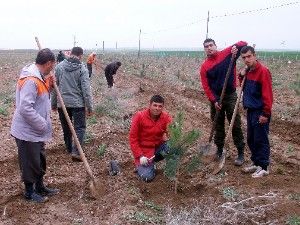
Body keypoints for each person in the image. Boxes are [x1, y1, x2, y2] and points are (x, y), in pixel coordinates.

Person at [10, 48, 59, 203]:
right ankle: (29, 192)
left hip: (36, 131)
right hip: (27, 131)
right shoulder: (31, 80)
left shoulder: (39, 77)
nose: (53, 68)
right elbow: (25, 108)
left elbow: (40, 99)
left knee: (39, 160)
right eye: (53, 65)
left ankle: (40, 186)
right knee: (30, 162)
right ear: (49, 63)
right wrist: (42, 124)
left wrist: (49, 85)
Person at [199, 38, 247, 166]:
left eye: (211, 45)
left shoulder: (227, 53)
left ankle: (240, 152)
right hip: (216, 99)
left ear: (215, 45)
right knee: (218, 125)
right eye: (206, 46)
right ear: (204, 49)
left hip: (230, 96)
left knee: (235, 123)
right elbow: (206, 86)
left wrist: (235, 48)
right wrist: (214, 100)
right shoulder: (205, 67)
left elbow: (244, 43)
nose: (209, 48)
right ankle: (219, 150)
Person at [51, 47, 93, 161]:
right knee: (79, 128)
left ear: (71, 54)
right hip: (78, 104)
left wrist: (53, 104)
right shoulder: (82, 69)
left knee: (66, 128)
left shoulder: (59, 67)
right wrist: (89, 107)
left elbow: (55, 87)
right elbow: (86, 90)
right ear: (80, 55)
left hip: (62, 104)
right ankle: (76, 151)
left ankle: (69, 148)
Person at [239, 46, 273, 178]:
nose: (247, 59)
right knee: (251, 139)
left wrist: (265, 113)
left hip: (260, 111)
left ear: (254, 55)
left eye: (249, 56)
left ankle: (264, 167)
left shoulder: (263, 71)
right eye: (244, 58)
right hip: (251, 110)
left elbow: (268, 95)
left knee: (261, 139)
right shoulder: (248, 71)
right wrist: (241, 76)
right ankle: (256, 162)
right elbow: (243, 86)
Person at [129, 95, 172, 182]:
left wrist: (168, 136)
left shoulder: (165, 117)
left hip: (157, 148)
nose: (157, 108)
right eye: (155, 105)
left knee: (171, 145)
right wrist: (140, 155)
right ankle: (143, 167)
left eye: (160, 106)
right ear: (150, 105)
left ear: (163, 107)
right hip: (144, 152)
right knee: (147, 177)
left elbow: (173, 131)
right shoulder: (140, 116)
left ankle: (169, 169)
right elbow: (133, 138)